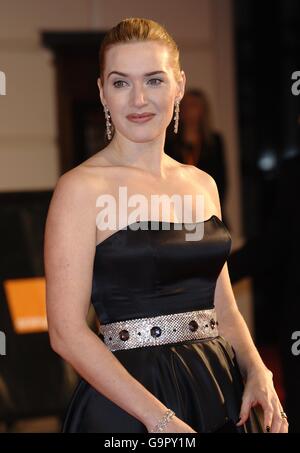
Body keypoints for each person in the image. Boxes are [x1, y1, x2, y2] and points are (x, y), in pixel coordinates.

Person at [44, 17, 288, 433]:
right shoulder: (80, 189)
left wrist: (257, 370)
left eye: (154, 80)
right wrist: (160, 420)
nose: (139, 99)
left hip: (217, 391)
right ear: (103, 92)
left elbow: (223, 308)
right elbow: (66, 333)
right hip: (129, 405)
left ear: (178, 84)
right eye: (121, 83)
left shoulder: (201, 184)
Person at [165, 89, 227, 211]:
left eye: (193, 105)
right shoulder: (170, 142)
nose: (188, 109)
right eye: (184, 105)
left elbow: (221, 180)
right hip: (176, 208)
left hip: (208, 206)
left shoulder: (214, 141)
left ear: (202, 110)